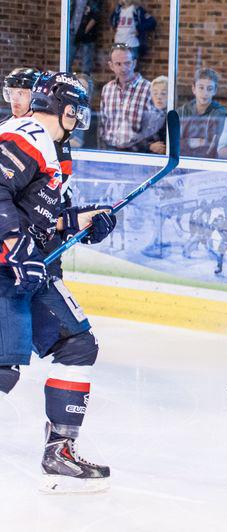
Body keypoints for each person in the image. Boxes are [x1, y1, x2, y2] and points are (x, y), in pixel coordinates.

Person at [0, 72, 117, 491]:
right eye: (77, 110)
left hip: (24, 269)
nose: (79, 118)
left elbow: (39, 216)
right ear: (65, 109)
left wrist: (81, 221)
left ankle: (60, 452)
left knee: (77, 344)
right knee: (3, 370)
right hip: (9, 267)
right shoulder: (27, 135)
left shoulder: (49, 147)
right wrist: (14, 243)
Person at [99, 43, 152, 151]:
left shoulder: (149, 89)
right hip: (109, 151)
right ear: (111, 66)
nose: (123, 68)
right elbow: (102, 124)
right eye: (118, 64)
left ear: (134, 63)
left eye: (127, 63)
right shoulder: (107, 89)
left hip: (137, 152)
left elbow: (152, 128)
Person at [176, 68, 226, 158]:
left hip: (207, 162)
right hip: (183, 160)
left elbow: (212, 146)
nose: (205, 93)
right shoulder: (182, 111)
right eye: (201, 88)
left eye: (209, 89)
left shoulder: (219, 112)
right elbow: (174, 143)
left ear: (215, 91)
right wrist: (193, 142)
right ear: (193, 89)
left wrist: (186, 142)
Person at [138, 74, 167, 154]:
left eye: (163, 93)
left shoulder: (174, 116)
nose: (159, 97)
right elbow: (136, 141)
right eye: (155, 93)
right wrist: (149, 146)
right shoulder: (145, 116)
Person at [70, 0, 101, 74]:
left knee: (86, 65)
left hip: (87, 34)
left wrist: (85, 30)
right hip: (72, 30)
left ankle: (85, 81)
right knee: (67, 61)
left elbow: (95, 16)